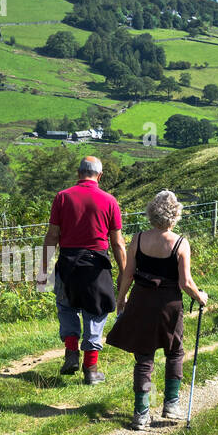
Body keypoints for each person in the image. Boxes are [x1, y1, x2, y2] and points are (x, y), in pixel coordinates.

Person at [106, 190, 208, 430]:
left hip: (141, 300)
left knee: (144, 357)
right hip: (168, 305)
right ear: (174, 217)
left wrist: (121, 298)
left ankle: (140, 414)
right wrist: (200, 297)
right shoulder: (180, 244)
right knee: (174, 351)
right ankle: (171, 405)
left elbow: (128, 274)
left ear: (151, 213)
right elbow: (185, 283)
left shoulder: (139, 239)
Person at [37, 156, 126, 385]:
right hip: (96, 267)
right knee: (96, 312)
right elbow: (117, 243)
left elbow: (52, 236)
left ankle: (71, 353)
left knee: (66, 306)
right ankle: (91, 368)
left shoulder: (63, 197)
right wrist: (124, 272)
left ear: (78, 173)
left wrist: (43, 269)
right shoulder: (110, 201)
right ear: (100, 175)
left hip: (68, 263)